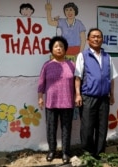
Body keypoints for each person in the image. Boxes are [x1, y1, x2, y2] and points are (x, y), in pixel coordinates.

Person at [74, 28, 118, 159]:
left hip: (104, 98)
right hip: (88, 97)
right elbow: (78, 77)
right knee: (87, 128)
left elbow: (111, 78)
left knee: (102, 128)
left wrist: (112, 94)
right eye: (93, 37)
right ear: (88, 40)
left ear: (102, 39)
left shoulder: (107, 57)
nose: (96, 39)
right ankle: (88, 155)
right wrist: (78, 94)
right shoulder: (83, 56)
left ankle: (100, 154)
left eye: (98, 37)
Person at [38, 36, 75, 164]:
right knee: (51, 128)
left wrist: (77, 95)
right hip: (51, 103)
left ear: (65, 49)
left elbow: (77, 83)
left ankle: (65, 152)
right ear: (51, 49)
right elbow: (41, 83)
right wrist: (40, 98)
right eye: (56, 46)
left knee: (66, 129)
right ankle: (52, 151)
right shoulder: (47, 65)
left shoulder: (71, 65)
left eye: (61, 46)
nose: (59, 48)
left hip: (68, 102)